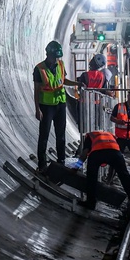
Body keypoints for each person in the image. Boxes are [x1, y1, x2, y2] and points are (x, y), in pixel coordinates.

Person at [33, 40, 80, 172]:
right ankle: (42, 165)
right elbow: (36, 90)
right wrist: (37, 109)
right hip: (46, 107)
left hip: (60, 104)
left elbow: (64, 81)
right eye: (55, 57)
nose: (56, 59)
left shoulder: (60, 64)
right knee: (44, 136)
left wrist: (77, 83)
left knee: (61, 135)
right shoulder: (39, 69)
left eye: (58, 57)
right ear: (48, 54)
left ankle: (61, 161)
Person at [72, 131, 130, 210]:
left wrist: (76, 167)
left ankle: (90, 203)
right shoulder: (111, 135)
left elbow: (84, 154)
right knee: (124, 175)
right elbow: (113, 166)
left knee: (91, 177)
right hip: (115, 153)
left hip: (97, 154)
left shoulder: (89, 136)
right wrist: (109, 180)